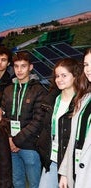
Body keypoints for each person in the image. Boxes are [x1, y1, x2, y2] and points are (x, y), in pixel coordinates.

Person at [1, 51, 47, 188]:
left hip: (30, 147)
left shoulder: (39, 90)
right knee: (17, 182)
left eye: (23, 66)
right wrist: (9, 138)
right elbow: (3, 117)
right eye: (16, 66)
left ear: (30, 67)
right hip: (10, 145)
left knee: (35, 184)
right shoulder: (8, 90)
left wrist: (16, 140)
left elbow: (37, 121)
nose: (19, 70)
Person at [37, 58, 81, 188]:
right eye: (57, 76)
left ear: (75, 76)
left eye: (64, 75)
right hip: (51, 159)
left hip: (70, 162)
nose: (59, 79)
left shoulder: (81, 102)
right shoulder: (51, 100)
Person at [59, 48, 91, 188]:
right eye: (86, 65)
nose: (88, 69)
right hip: (76, 169)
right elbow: (73, 138)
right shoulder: (84, 98)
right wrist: (65, 172)